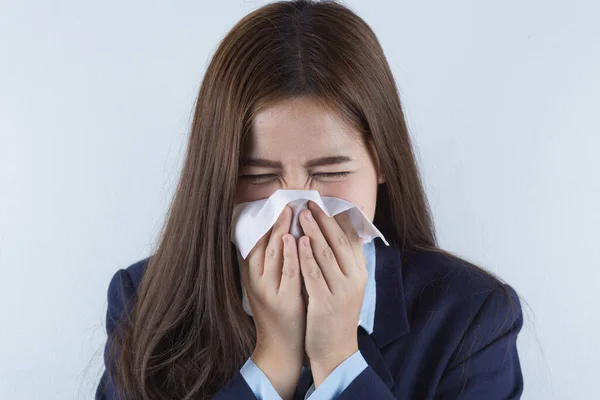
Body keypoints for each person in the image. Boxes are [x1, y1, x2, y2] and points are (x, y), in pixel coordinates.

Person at [95, 1, 523, 399]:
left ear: (383, 163)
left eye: (331, 173)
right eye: (258, 176)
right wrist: (272, 361)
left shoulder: (471, 316)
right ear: (217, 176)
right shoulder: (147, 301)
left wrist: (339, 358)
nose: (297, 207)